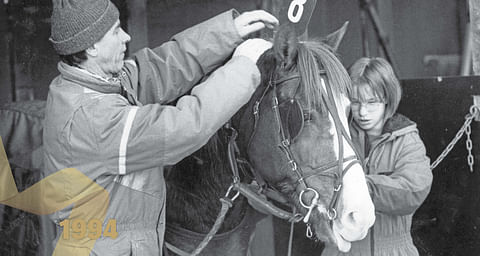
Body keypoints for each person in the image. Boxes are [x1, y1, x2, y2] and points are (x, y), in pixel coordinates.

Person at [42, 0, 278, 255]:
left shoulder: (93, 81)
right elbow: (181, 128)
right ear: (92, 46)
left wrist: (228, 31)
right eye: (116, 30)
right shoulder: (93, 119)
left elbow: (159, 68)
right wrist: (242, 67)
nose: (126, 36)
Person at [322, 57, 433, 256]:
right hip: (340, 250)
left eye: (372, 102)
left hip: (394, 250)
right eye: (355, 102)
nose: (363, 112)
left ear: (388, 99)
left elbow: (414, 190)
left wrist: (357, 185)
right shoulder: (333, 139)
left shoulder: (407, 141)